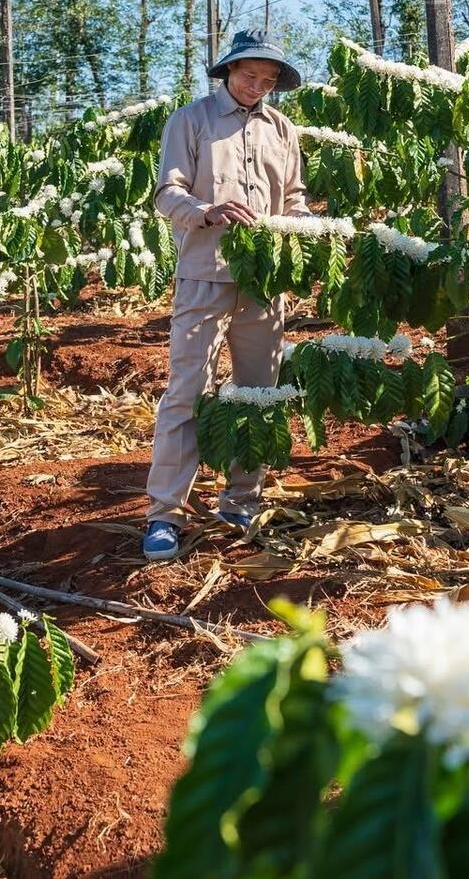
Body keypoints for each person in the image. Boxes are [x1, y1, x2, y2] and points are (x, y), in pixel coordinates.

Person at [145, 29, 310, 562]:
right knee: (187, 391)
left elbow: (294, 199)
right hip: (205, 273)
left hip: (264, 284)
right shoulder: (190, 121)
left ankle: (241, 498)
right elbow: (167, 192)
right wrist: (205, 211)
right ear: (227, 72)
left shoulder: (283, 129)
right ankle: (165, 513)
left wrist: (311, 233)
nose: (256, 86)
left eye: (267, 81)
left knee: (258, 393)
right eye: (248, 76)